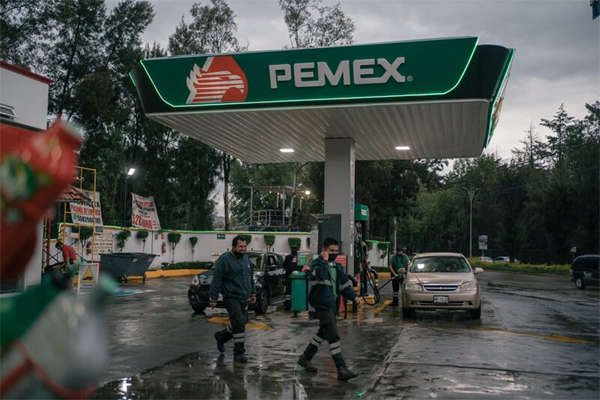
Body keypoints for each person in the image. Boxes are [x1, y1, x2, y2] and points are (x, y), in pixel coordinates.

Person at [297, 237, 361, 381]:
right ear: (324, 250)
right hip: (321, 305)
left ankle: (305, 359)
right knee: (333, 335)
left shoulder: (338, 267)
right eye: (331, 251)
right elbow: (318, 274)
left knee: (322, 333)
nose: (334, 253)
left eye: (336, 251)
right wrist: (324, 261)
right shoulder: (316, 264)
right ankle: (341, 368)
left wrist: (354, 297)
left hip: (332, 305)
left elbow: (345, 286)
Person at [209, 236, 257, 363]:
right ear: (234, 246)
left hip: (244, 297)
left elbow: (250, 277)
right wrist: (213, 298)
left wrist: (253, 293)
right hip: (231, 297)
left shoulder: (246, 259)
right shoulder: (225, 260)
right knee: (239, 322)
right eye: (241, 246)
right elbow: (217, 279)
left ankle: (221, 337)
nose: (243, 249)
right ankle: (239, 353)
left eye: (245, 246)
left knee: (242, 321)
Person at [283, 245, 300, 312]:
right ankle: (297, 306)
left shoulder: (288, 257)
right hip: (298, 277)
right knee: (297, 291)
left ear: (291, 249)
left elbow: (284, 266)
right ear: (297, 249)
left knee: (288, 292)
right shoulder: (299, 257)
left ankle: (288, 306)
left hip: (289, 276)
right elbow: (301, 266)